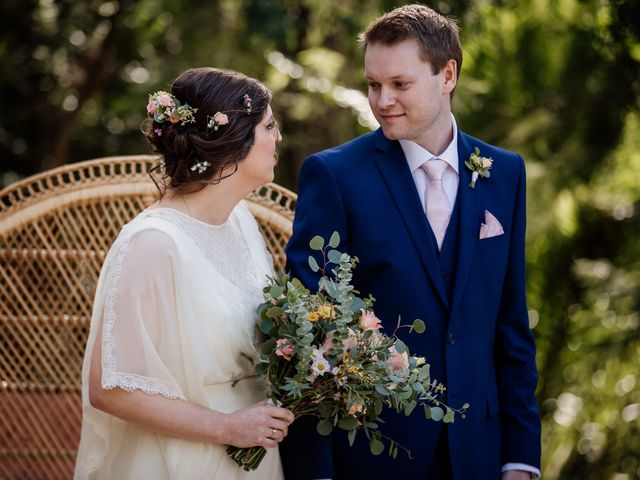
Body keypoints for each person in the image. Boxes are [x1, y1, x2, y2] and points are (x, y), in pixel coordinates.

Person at [282, 4, 541, 480]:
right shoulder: (334, 176)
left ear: (448, 75)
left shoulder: (505, 173)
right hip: (374, 453)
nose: (382, 101)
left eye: (400, 84)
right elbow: (308, 338)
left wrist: (520, 458)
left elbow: (510, 323)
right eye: (373, 85)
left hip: (481, 454)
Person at [74, 67, 294, 480]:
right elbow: (110, 389)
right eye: (269, 125)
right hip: (182, 458)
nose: (278, 137)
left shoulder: (242, 222)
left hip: (255, 454)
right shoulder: (153, 243)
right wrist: (227, 428)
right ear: (235, 144)